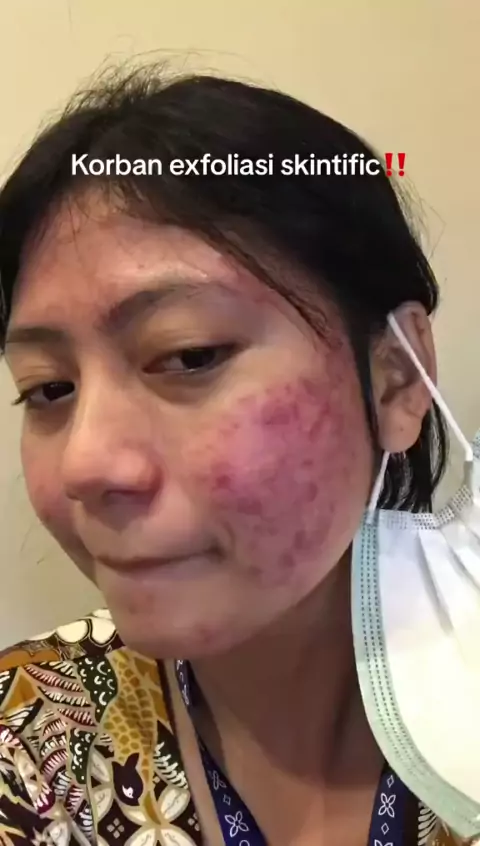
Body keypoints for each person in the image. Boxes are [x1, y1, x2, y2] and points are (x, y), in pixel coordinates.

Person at [0, 66, 462, 845]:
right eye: (48, 389)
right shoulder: (30, 741)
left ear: (394, 378)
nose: (86, 463)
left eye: (189, 355)